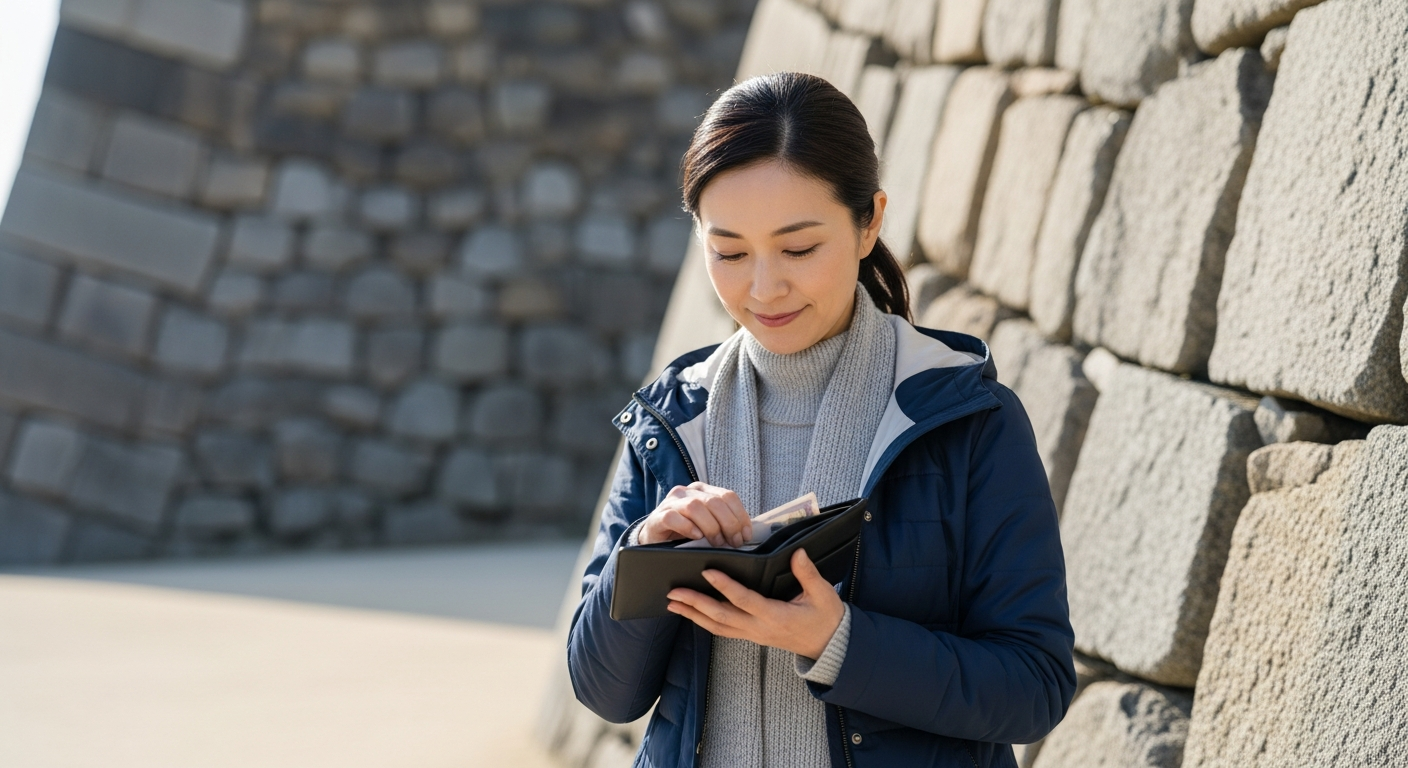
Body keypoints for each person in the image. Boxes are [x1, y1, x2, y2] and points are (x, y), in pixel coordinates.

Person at [566, 71, 1075, 768]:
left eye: (799, 248)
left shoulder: (967, 421)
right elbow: (603, 690)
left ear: (870, 222)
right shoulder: (672, 422)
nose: (764, 287)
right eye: (729, 252)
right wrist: (646, 553)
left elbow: (1034, 687)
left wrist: (839, 642)